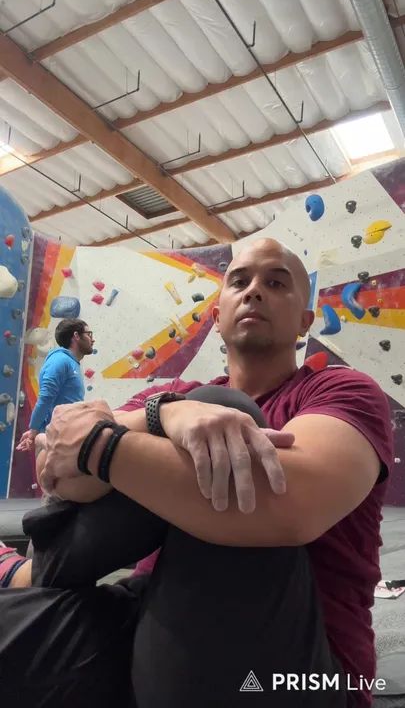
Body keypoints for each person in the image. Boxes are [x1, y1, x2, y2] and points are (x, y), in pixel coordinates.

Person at [1, 239, 393, 708]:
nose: (254, 291)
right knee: (205, 403)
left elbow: (290, 508)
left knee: (221, 408)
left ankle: (29, 574)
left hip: (294, 663)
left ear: (305, 322)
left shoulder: (343, 389)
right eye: (240, 282)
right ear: (216, 315)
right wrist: (165, 414)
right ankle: (33, 576)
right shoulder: (173, 393)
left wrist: (102, 446)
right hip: (157, 624)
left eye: (276, 283)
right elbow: (56, 463)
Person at [17, 319, 95, 452]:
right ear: (76, 336)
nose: (92, 339)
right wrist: (34, 431)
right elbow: (46, 398)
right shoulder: (59, 360)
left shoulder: (71, 363)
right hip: (54, 441)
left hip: (64, 438)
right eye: (89, 334)